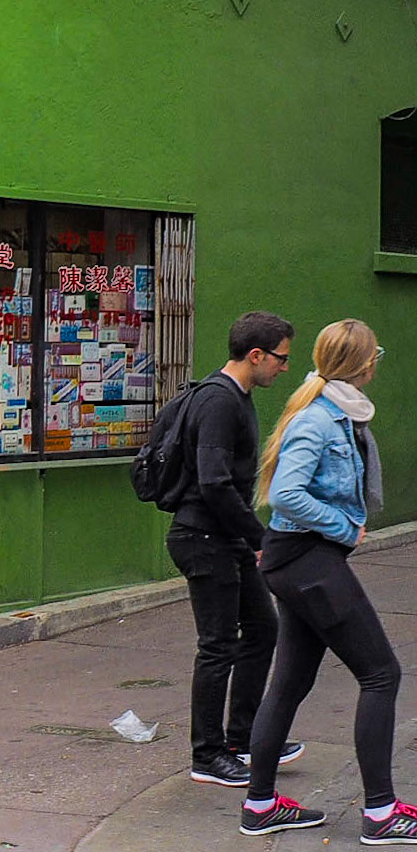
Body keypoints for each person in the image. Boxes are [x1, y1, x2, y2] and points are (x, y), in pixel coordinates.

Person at [239, 321, 412, 841]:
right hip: (308, 561)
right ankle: (381, 814)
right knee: (382, 674)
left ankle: (261, 805)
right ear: (365, 365)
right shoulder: (318, 420)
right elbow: (286, 494)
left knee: (290, 681)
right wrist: (343, 527)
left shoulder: (336, 412)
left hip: (299, 561)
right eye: (374, 354)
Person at [168, 311, 297, 788]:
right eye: (281, 359)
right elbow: (215, 482)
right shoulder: (221, 403)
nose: (284, 369)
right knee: (218, 646)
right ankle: (208, 755)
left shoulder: (236, 397)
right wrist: (261, 537)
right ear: (256, 355)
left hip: (224, 537)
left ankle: (244, 737)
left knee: (263, 627)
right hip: (204, 537)